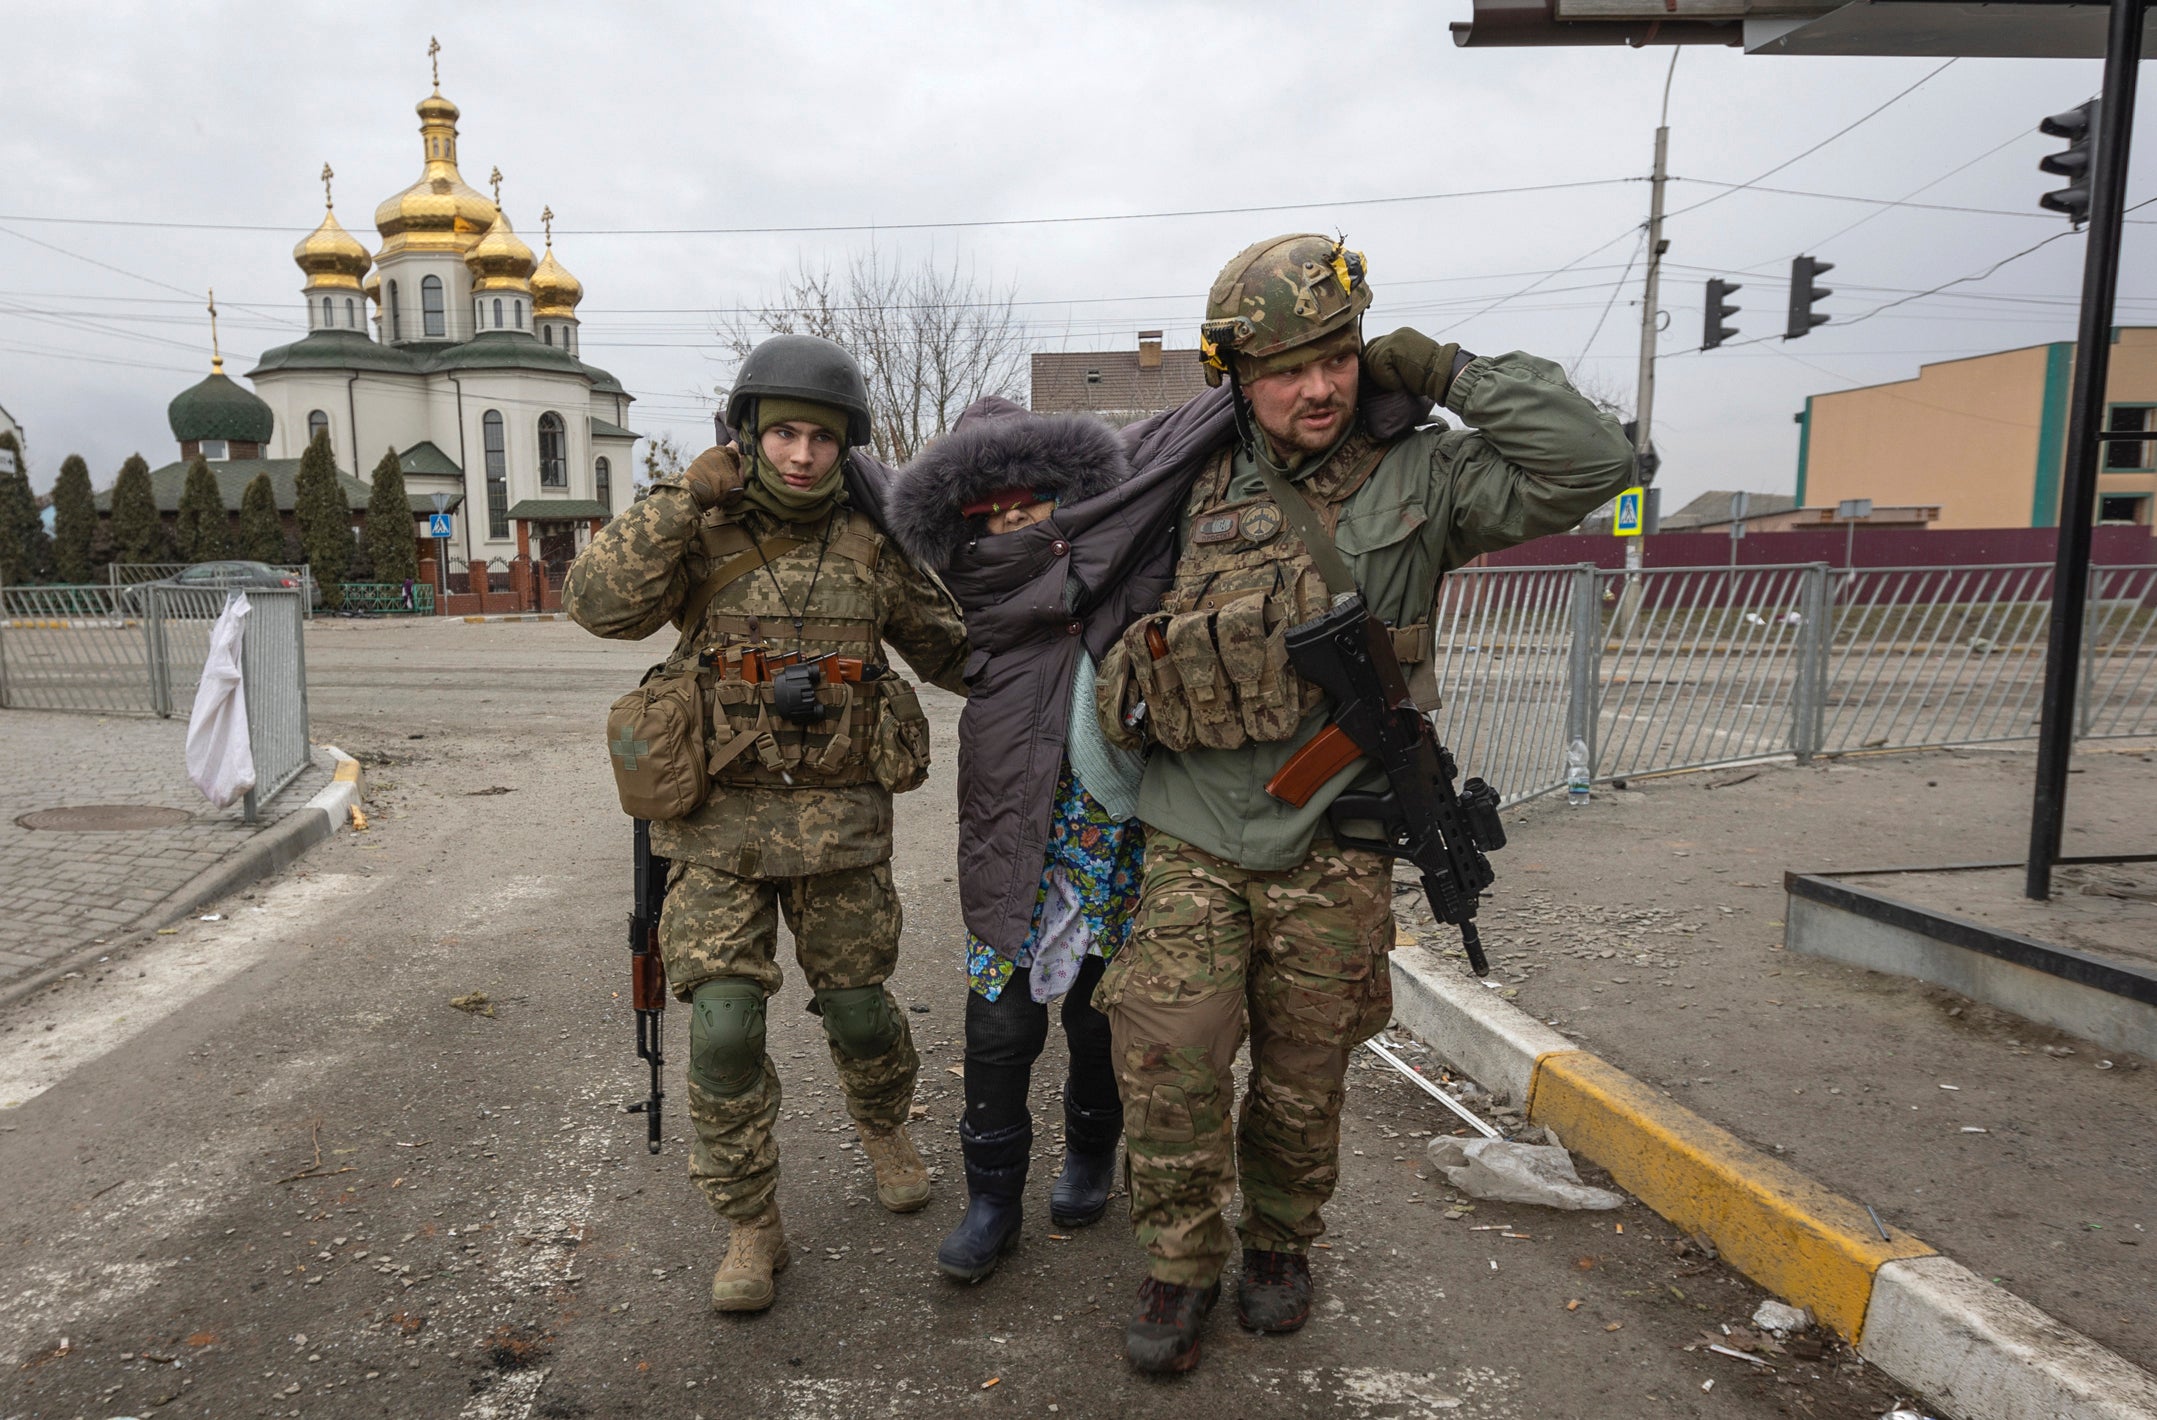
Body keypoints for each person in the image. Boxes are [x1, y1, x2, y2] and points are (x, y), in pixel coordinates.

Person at [1092, 233, 1638, 1372]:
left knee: (1304, 1072)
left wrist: (1440, 368)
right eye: (1286, 366)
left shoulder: (1422, 474)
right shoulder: (1179, 477)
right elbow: (1070, 590)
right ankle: (1180, 1260)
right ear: (1236, 375)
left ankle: (1281, 1243)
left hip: (1335, 833)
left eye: (1338, 355)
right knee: (1169, 1059)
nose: (1320, 386)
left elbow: (1592, 460)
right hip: (1192, 828)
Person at [563, 334, 970, 1314]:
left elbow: (956, 648)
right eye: (781, 433)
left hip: (839, 831)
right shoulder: (698, 528)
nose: (799, 454)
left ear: (846, 446)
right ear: (745, 435)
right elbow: (594, 604)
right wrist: (677, 498)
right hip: (718, 831)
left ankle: (884, 1126)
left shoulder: (876, 539)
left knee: (864, 1013)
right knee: (727, 1028)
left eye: (820, 438)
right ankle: (752, 1222)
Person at [886, 398, 1154, 1282]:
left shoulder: (1119, 576)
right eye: (989, 512)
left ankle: (1088, 1156)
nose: (1009, 522)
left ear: (1062, 496)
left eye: (1025, 503)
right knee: (999, 1029)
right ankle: (991, 1201)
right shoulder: (968, 611)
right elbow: (862, 495)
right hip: (1011, 849)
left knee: (1091, 1018)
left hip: (1105, 844)